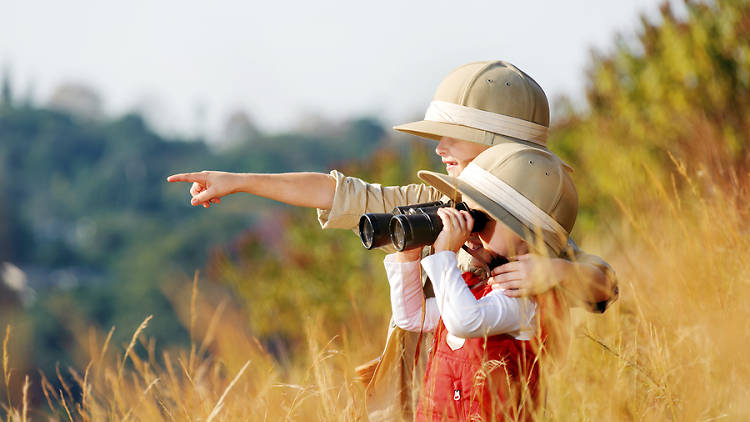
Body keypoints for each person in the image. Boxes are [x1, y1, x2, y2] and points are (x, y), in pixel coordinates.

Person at [167, 60, 617, 419]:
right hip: (417, 400)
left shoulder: (526, 229)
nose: (439, 149)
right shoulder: (432, 201)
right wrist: (240, 181)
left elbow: (604, 286)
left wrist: (555, 270)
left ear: (501, 146)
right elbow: (338, 192)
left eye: (453, 139)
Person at [385, 141, 577, 420]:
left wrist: (444, 255)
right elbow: (413, 317)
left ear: (527, 234)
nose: (470, 231)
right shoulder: (475, 287)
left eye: (481, 220)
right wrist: (408, 257)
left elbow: (464, 321)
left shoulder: (522, 299)